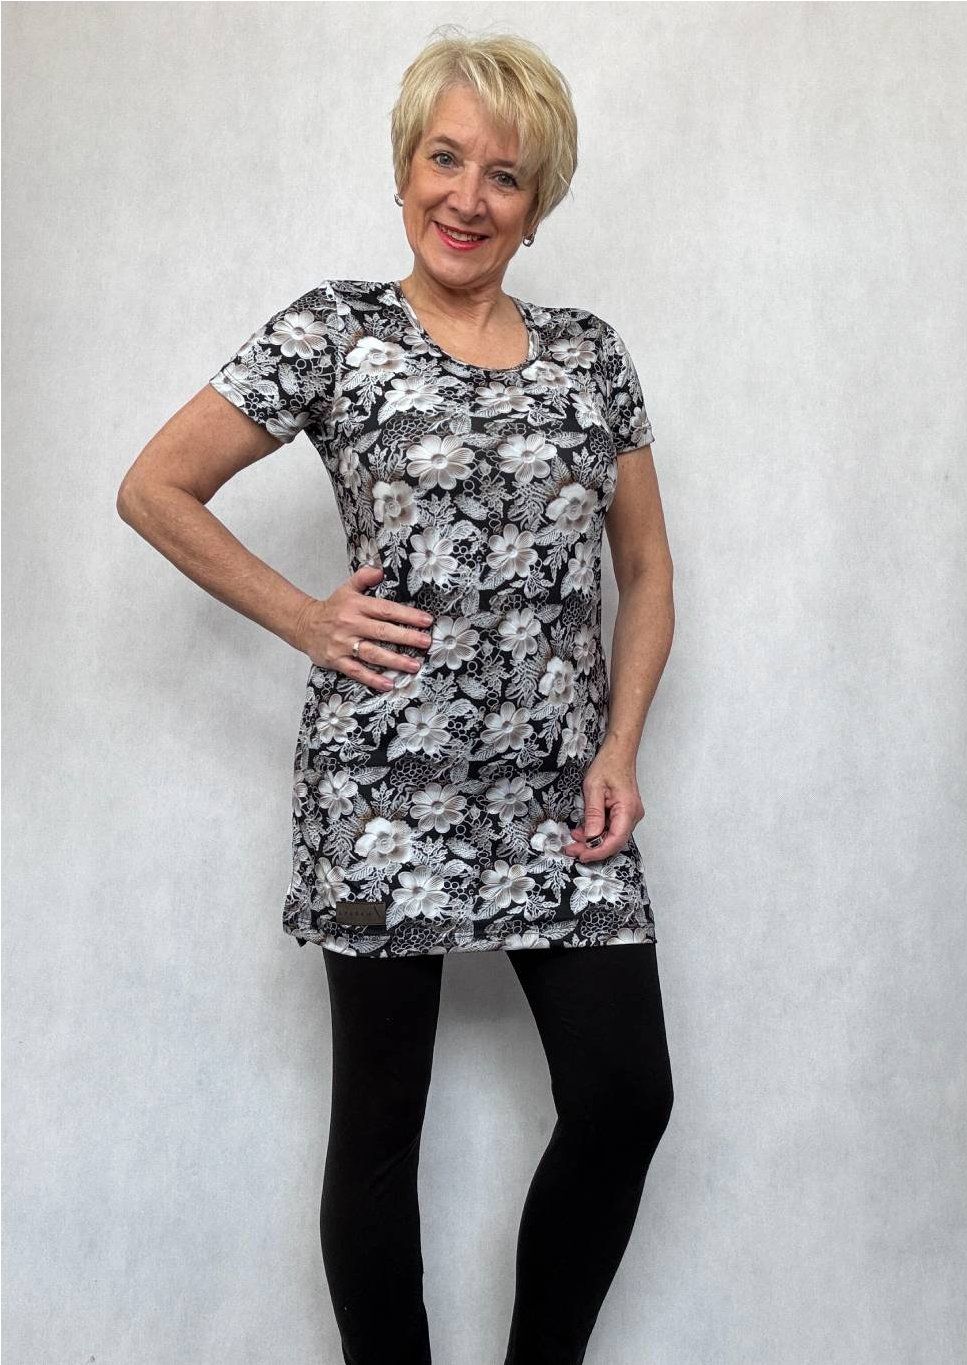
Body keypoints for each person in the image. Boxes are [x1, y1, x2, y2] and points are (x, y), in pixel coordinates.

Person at [117, 27, 675, 1365]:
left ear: (537, 204)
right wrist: (307, 618)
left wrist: (619, 745)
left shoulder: (591, 354)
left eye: (505, 175)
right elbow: (155, 487)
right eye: (445, 159)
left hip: (560, 794)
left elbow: (648, 569)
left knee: (624, 1095)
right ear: (404, 165)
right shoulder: (337, 331)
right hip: (383, 785)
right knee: (380, 1128)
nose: (467, 197)